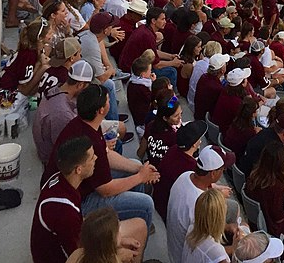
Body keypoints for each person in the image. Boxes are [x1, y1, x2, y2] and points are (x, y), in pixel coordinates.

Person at [57, 84, 159, 225]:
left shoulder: (86, 124)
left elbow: (107, 154)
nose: (110, 101)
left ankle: (130, 215)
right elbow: (106, 189)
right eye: (107, 100)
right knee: (146, 204)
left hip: (85, 185)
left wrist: (139, 170)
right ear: (101, 110)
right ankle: (138, 226)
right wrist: (141, 177)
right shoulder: (89, 140)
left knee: (136, 164)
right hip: (80, 201)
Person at [181, 188, 234, 263]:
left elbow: (209, 251)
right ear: (219, 218)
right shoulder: (217, 253)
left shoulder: (192, 228)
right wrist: (238, 251)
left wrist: (232, 248)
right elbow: (213, 253)